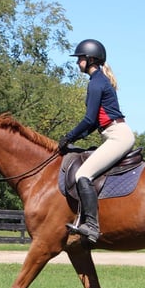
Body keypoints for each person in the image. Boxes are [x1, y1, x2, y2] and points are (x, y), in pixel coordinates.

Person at [58, 39, 136, 243]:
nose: (77, 63)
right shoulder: (99, 81)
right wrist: (75, 139)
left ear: (90, 59)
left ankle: (91, 226)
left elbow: (89, 119)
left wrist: (69, 136)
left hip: (117, 135)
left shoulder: (96, 83)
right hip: (113, 133)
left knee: (83, 174)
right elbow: (93, 123)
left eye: (80, 59)